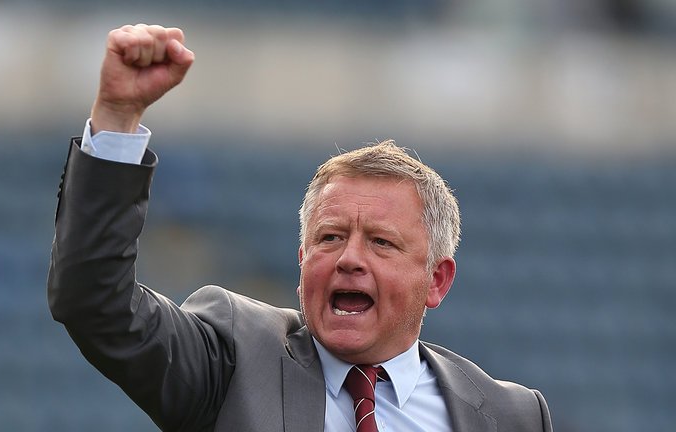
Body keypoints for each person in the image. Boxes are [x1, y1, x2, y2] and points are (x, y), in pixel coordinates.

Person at [48, 24, 553, 432]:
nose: (350, 258)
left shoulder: (511, 415)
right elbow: (93, 301)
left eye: (381, 242)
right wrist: (117, 117)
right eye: (330, 238)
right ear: (302, 260)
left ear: (437, 280)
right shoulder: (234, 357)